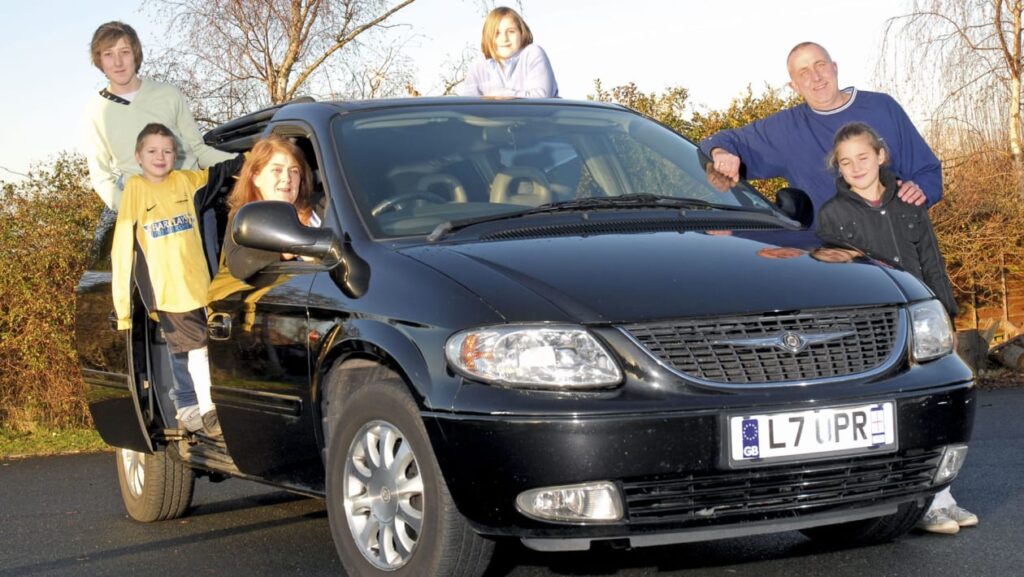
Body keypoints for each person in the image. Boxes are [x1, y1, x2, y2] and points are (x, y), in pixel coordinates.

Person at [816, 122, 975, 535]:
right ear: (839, 167)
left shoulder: (909, 204)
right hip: (873, 333)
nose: (856, 167)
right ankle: (916, 505)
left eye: (863, 158)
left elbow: (934, 267)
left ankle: (942, 498)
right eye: (846, 162)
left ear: (881, 156)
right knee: (891, 418)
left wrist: (946, 316)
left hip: (922, 327)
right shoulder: (832, 214)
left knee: (933, 413)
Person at [700, 42, 940, 224]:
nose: (815, 77)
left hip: (896, 252)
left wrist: (920, 190)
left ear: (834, 68)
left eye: (820, 65)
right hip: (830, 257)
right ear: (794, 86)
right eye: (803, 72)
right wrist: (720, 153)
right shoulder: (786, 129)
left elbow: (928, 171)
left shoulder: (882, 107)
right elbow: (720, 141)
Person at [112, 123, 244, 437]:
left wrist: (249, 159)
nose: (160, 157)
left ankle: (187, 409)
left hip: (201, 287)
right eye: (152, 151)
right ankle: (210, 411)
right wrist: (123, 311)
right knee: (197, 348)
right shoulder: (135, 189)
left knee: (186, 351)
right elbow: (121, 248)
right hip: (167, 291)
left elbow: (219, 173)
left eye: (167, 151)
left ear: (176, 155)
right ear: (138, 156)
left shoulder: (186, 182)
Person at [84, 21, 235, 211]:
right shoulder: (96, 110)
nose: (118, 62)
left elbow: (198, 150)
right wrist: (130, 208)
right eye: (108, 54)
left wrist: (247, 163)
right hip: (148, 216)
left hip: (195, 204)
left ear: (135, 54)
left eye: (124, 52)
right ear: (100, 60)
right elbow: (100, 176)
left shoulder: (169, 94)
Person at [211, 134, 320, 290]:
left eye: (294, 171)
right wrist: (289, 249)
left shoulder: (321, 208)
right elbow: (239, 263)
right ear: (256, 177)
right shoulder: (245, 219)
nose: (286, 178)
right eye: (277, 170)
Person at [459, 6, 558, 98]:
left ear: (521, 33)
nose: (504, 39)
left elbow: (541, 98)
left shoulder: (532, 54)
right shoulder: (479, 66)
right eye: (497, 33)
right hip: (491, 117)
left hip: (535, 117)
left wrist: (503, 95)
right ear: (488, 37)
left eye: (511, 31)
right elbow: (467, 104)